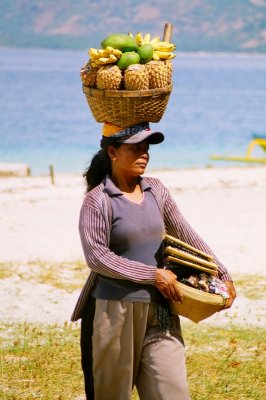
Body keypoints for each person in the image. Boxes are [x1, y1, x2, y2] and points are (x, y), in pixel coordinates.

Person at [71, 121, 236, 400]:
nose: (144, 154)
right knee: (111, 394)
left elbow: (185, 233)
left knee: (172, 392)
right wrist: (152, 275)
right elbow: (97, 257)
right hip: (114, 312)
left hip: (161, 310)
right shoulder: (97, 201)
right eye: (135, 148)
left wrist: (222, 274)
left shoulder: (156, 190)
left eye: (146, 149)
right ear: (113, 152)